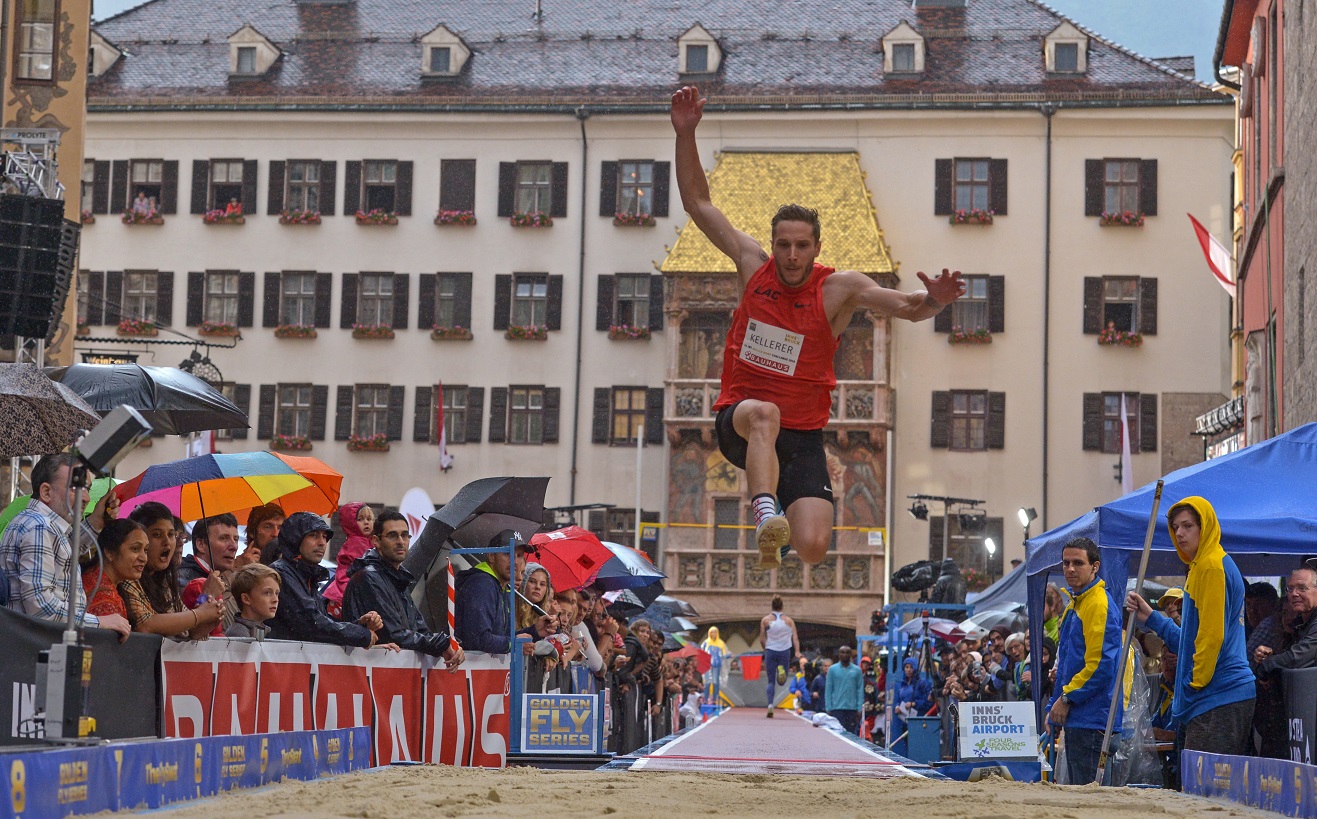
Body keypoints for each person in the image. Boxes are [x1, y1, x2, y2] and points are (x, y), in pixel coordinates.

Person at [670, 85, 965, 568]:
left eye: (801, 245)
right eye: (782, 244)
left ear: (816, 247)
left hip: (803, 434)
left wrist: (936, 298)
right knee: (765, 413)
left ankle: (781, 524)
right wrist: (685, 134)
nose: (790, 255)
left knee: (812, 547)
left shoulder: (838, 290)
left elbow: (909, 307)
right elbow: (699, 204)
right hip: (742, 419)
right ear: (771, 243)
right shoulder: (752, 267)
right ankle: (765, 512)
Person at [1126, 497, 1256, 759]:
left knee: (1204, 792)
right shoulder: (1203, 566)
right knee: (1200, 790)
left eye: (1187, 526)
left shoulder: (1210, 566)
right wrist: (1152, 617)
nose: (1180, 533)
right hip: (1215, 695)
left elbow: (1211, 637)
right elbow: (1193, 640)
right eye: (1175, 527)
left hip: (1217, 695)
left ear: (1204, 526)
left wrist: (1193, 683)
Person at [0, 454, 130, 640]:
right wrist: (100, 622)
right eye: (76, 488)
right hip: (35, 649)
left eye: (87, 489)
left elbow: (62, 554)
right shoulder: (39, 527)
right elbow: (41, 608)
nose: (85, 497)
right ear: (46, 492)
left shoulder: (41, 525)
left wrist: (96, 521)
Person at [341, 509, 465, 666]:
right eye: (392, 535)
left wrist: (450, 644)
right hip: (374, 673)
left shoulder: (398, 577)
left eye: (405, 535)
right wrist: (442, 643)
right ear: (375, 541)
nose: (401, 541)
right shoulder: (369, 577)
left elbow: (420, 631)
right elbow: (394, 635)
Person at [1047, 536, 1122, 786]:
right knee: (1085, 800)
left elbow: (1101, 665)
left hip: (1093, 720)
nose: (1070, 569)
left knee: (1093, 804)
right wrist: (1054, 708)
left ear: (1095, 566)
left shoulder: (1097, 603)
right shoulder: (1077, 603)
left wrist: (1066, 698)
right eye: (1066, 562)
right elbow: (1069, 665)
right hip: (1081, 718)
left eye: (1077, 563)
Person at [268, 511, 387, 648]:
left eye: (324, 537)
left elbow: (321, 621)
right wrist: (360, 633)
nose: (322, 543)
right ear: (295, 539)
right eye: (313, 535)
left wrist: (359, 625)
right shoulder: (282, 572)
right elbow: (311, 624)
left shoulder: (306, 574)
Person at [123, 502, 222, 637]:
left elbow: (191, 632)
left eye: (171, 535)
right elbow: (145, 625)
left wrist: (208, 603)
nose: (167, 542)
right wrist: (201, 613)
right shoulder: (128, 577)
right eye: (157, 535)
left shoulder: (165, 581)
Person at [454, 529, 554, 654]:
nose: (515, 562)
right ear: (491, 556)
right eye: (508, 554)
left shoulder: (503, 587)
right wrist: (513, 645)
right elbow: (478, 640)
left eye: (519, 555)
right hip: (472, 670)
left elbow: (503, 636)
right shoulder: (482, 584)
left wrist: (535, 631)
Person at [179, 514, 241, 636]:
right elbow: (189, 632)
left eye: (236, 539)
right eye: (224, 538)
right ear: (201, 545)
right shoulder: (182, 579)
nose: (234, 547)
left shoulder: (216, 576)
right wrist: (207, 595)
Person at [82, 519, 148, 619]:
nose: (144, 558)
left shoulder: (94, 578)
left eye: (146, 550)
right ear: (109, 553)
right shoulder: (104, 600)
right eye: (135, 549)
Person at [323, 502, 373, 619]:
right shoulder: (357, 543)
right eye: (360, 519)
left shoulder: (363, 541)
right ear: (351, 523)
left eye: (369, 519)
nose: (366, 522)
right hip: (344, 593)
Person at [759, 595, 800, 717]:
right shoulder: (789, 621)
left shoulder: (765, 620)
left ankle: (770, 705)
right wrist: (797, 651)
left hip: (771, 650)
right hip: (784, 651)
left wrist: (765, 648)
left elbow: (761, 638)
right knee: (782, 682)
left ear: (771, 606)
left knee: (771, 681)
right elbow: (795, 638)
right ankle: (781, 669)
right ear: (782, 606)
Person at [225, 563, 280, 639]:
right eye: (267, 593)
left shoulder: (263, 630)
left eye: (277, 593)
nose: (275, 599)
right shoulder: (238, 634)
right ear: (246, 599)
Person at [892, 655, 933, 754]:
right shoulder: (903, 684)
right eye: (906, 667)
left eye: (911, 667)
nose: (909, 670)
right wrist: (897, 706)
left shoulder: (922, 683)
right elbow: (898, 699)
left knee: (916, 746)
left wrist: (914, 703)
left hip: (917, 720)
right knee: (906, 745)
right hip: (904, 720)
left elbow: (929, 702)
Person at [825, 645, 865, 734]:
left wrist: (859, 708)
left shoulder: (857, 670)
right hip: (836, 708)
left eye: (847, 652)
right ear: (839, 654)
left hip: (852, 709)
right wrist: (828, 708)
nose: (845, 654)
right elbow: (828, 689)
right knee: (837, 734)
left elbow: (859, 689)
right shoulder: (832, 669)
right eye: (842, 652)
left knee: (851, 734)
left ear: (851, 654)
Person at [241, 502, 285, 567]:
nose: (276, 534)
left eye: (280, 528)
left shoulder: (290, 564)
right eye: (268, 527)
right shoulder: (232, 567)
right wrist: (250, 569)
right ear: (252, 532)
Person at [700, 626, 730, 703]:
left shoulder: (721, 643)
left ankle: (715, 698)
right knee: (707, 682)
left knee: (716, 682)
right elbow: (701, 653)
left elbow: (724, 654)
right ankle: (705, 699)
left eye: (715, 632)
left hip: (717, 665)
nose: (713, 634)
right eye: (712, 632)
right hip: (707, 666)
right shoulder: (705, 643)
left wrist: (728, 655)